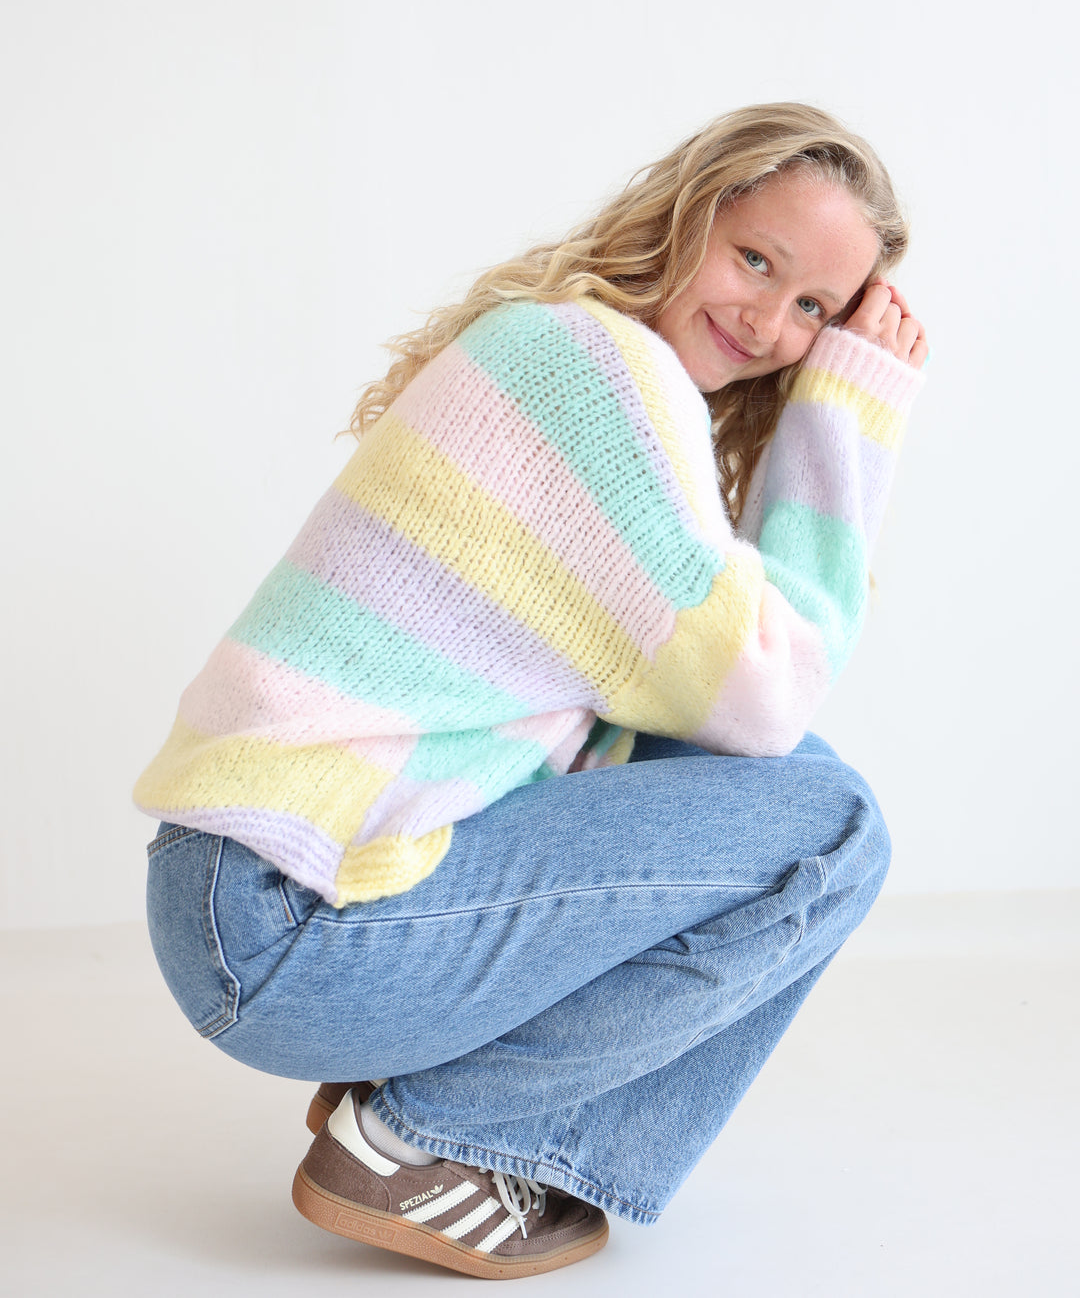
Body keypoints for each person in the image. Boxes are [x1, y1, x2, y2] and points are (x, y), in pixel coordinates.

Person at [135, 102, 928, 1279]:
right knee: (834, 827)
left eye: (815, 309)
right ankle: (431, 1137)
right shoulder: (601, 375)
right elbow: (770, 690)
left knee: (769, 784)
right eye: (756, 258)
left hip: (256, 898)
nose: (770, 319)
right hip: (283, 919)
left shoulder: (566, 348)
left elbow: (717, 714)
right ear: (687, 216)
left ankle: (446, 1108)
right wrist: (851, 415)